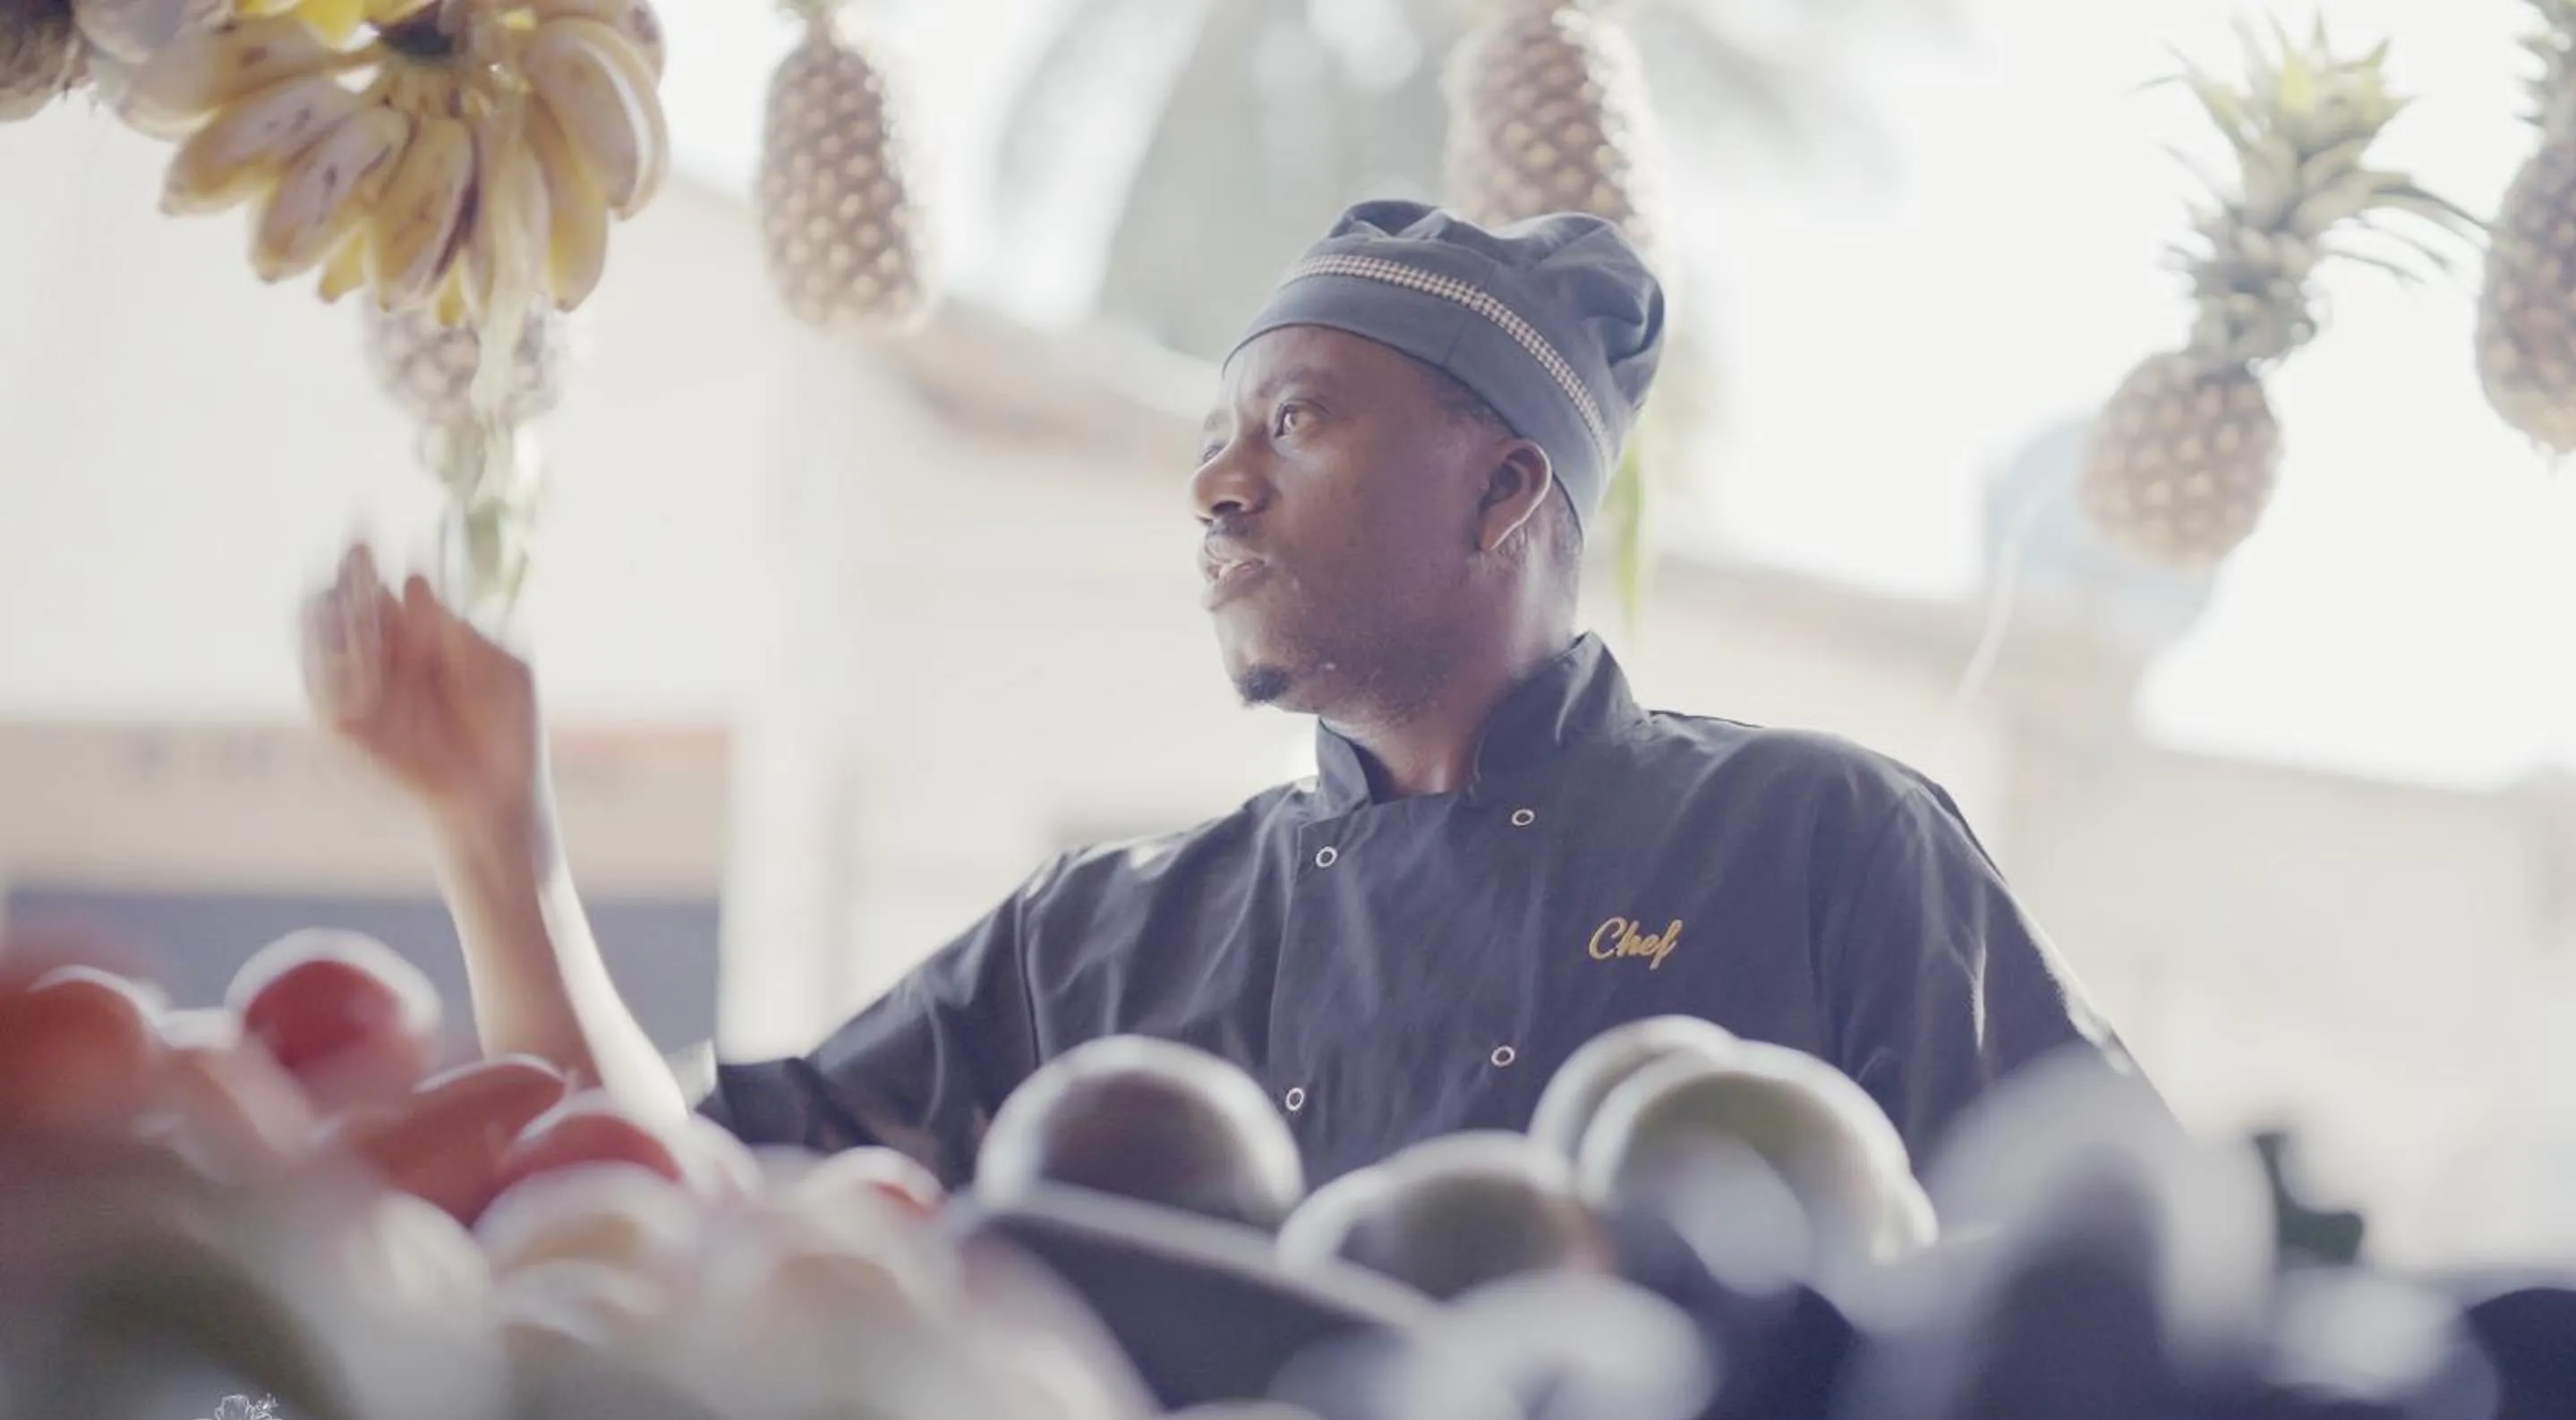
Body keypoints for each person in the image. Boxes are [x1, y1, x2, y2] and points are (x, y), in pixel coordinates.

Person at [305, 200, 2128, 1195]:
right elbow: (656, 1200)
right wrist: (505, 846)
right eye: (1212, 437)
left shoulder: (1820, 845)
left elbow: (2119, 1263)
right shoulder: (1094, 947)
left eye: (1300, 422)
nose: (1218, 487)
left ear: (1509, 493)